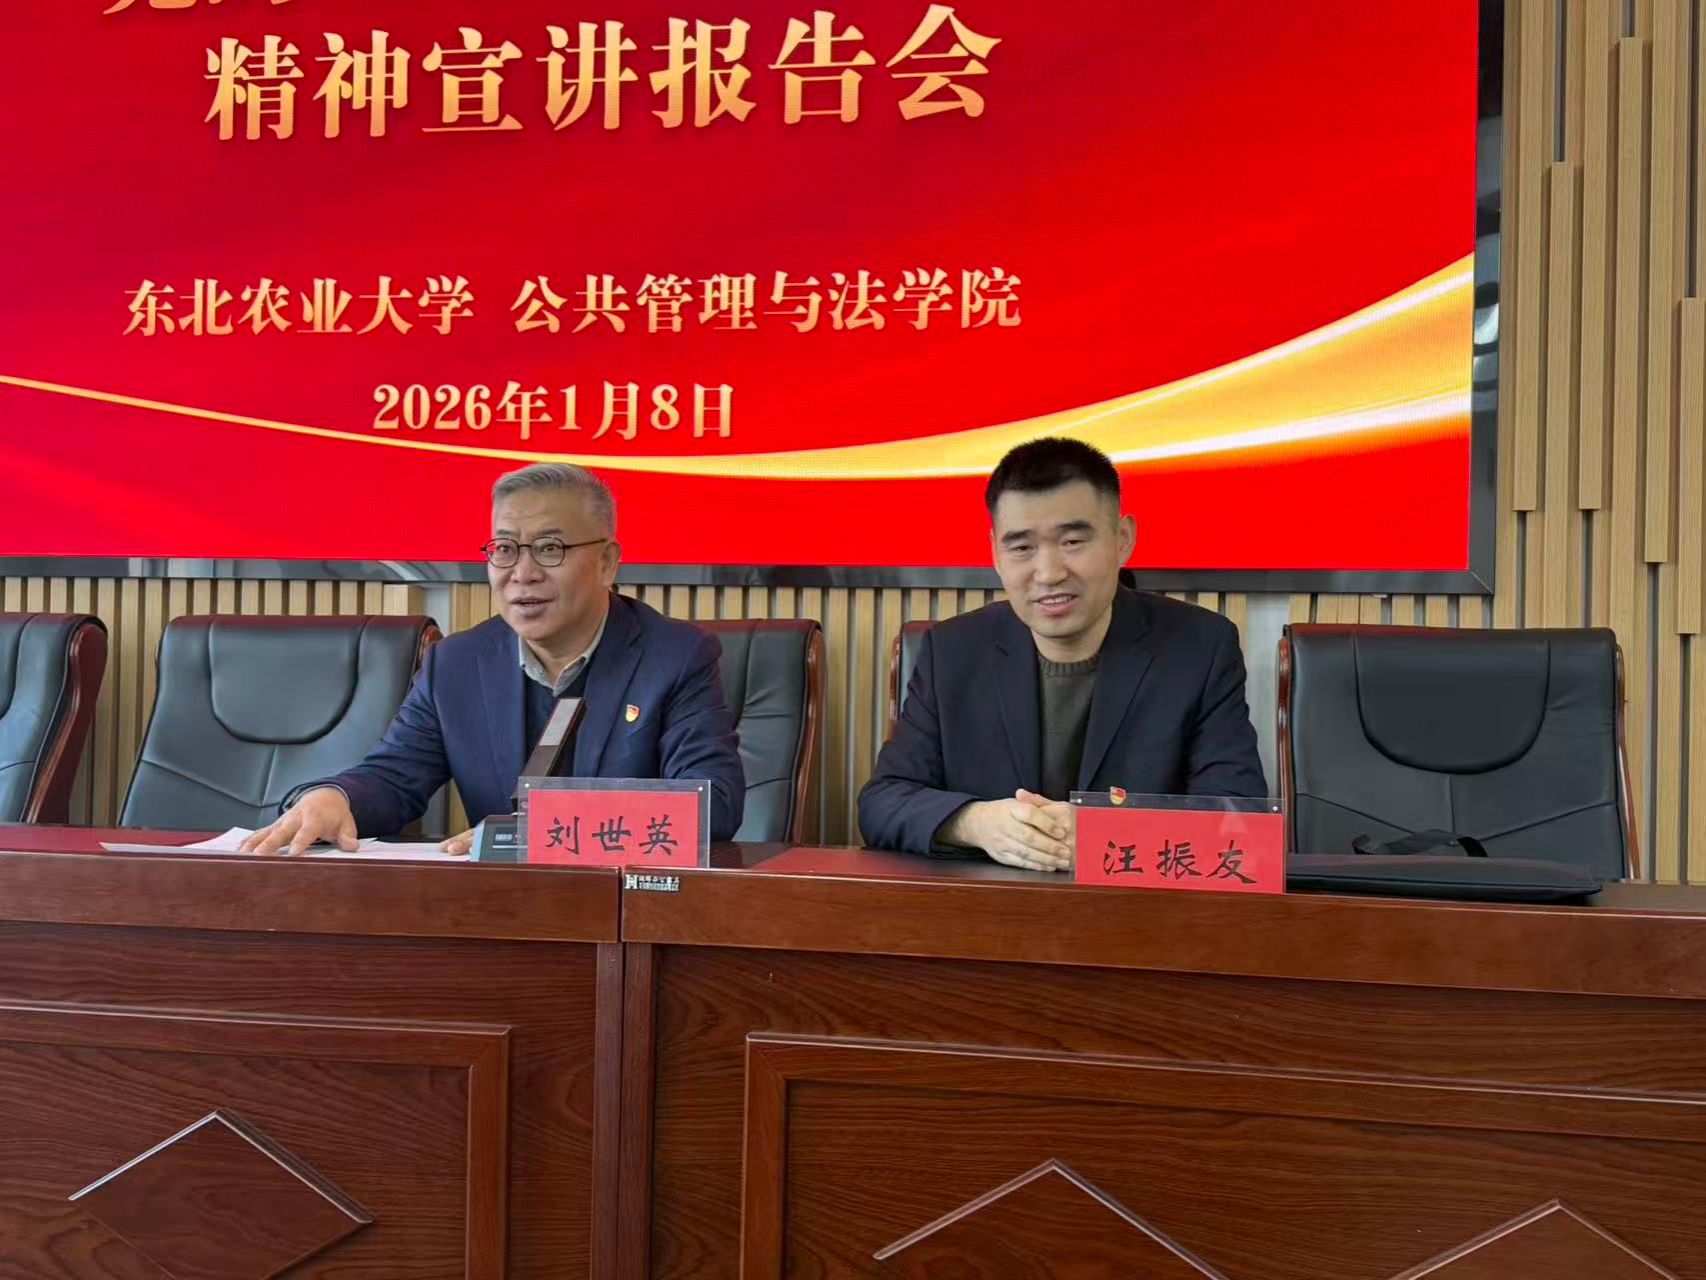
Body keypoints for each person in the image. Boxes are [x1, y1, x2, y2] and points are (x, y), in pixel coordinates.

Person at [242, 463, 744, 855]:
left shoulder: (675, 658)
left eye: (549, 548)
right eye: (504, 549)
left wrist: (547, 828)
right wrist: (336, 797)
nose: (522, 573)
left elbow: (712, 804)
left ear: (607, 562)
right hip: (499, 913)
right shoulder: (456, 665)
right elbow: (394, 778)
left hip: (625, 911)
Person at [857, 437, 1265, 870]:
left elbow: (1238, 816)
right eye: (1022, 547)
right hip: (989, 906)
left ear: (1122, 540)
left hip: (1138, 905)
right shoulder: (952, 651)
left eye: (1072, 541)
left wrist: (1106, 831)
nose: (1049, 573)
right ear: (996, 552)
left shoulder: (1200, 648)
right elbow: (883, 802)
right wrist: (973, 822)